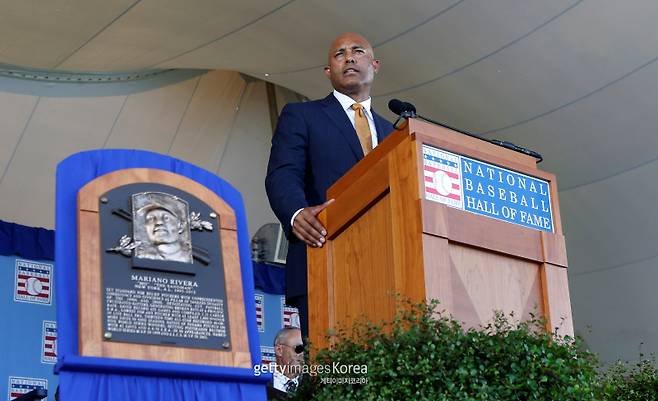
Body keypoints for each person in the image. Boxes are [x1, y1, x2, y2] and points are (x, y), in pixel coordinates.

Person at [265, 32, 394, 337]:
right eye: (339, 54)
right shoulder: (302, 115)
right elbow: (283, 173)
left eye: (358, 51)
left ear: (374, 65)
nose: (349, 57)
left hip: (388, 267)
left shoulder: (394, 133)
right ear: (328, 71)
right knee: (335, 373)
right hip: (322, 256)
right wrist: (297, 213)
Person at [272, 327, 304, 394]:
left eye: (306, 349)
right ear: (279, 350)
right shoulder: (262, 385)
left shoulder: (313, 387)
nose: (303, 354)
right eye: (299, 348)